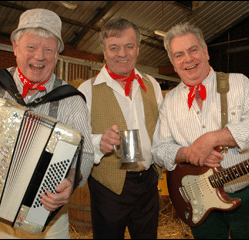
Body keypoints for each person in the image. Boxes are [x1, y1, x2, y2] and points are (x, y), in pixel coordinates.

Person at [0, 8, 94, 239]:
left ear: (56, 55)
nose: (40, 56)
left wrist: (72, 181)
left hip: (46, 222)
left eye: (48, 49)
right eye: (31, 47)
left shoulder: (72, 100)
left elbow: (85, 155)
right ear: (15, 47)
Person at [151, 22, 249, 239]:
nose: (188, 59)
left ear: (206, 52)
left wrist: (214, 138)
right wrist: (189, 153)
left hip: (248, 195)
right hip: (199, 200)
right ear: (173, 64)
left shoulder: (240, 84)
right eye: (179, 54)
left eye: (193, 49)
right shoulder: (170, 102)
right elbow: (159, 149)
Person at [78, 18, 163, 239]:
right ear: (104, 52)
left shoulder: (151, 84)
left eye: (129, 46)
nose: (122, 54)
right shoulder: (87, 90)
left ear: (137, 49)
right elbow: (78, 139)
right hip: (109, 187)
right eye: (114, 48)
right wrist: (99, 141)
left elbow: (164, 129)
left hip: (148, 184)